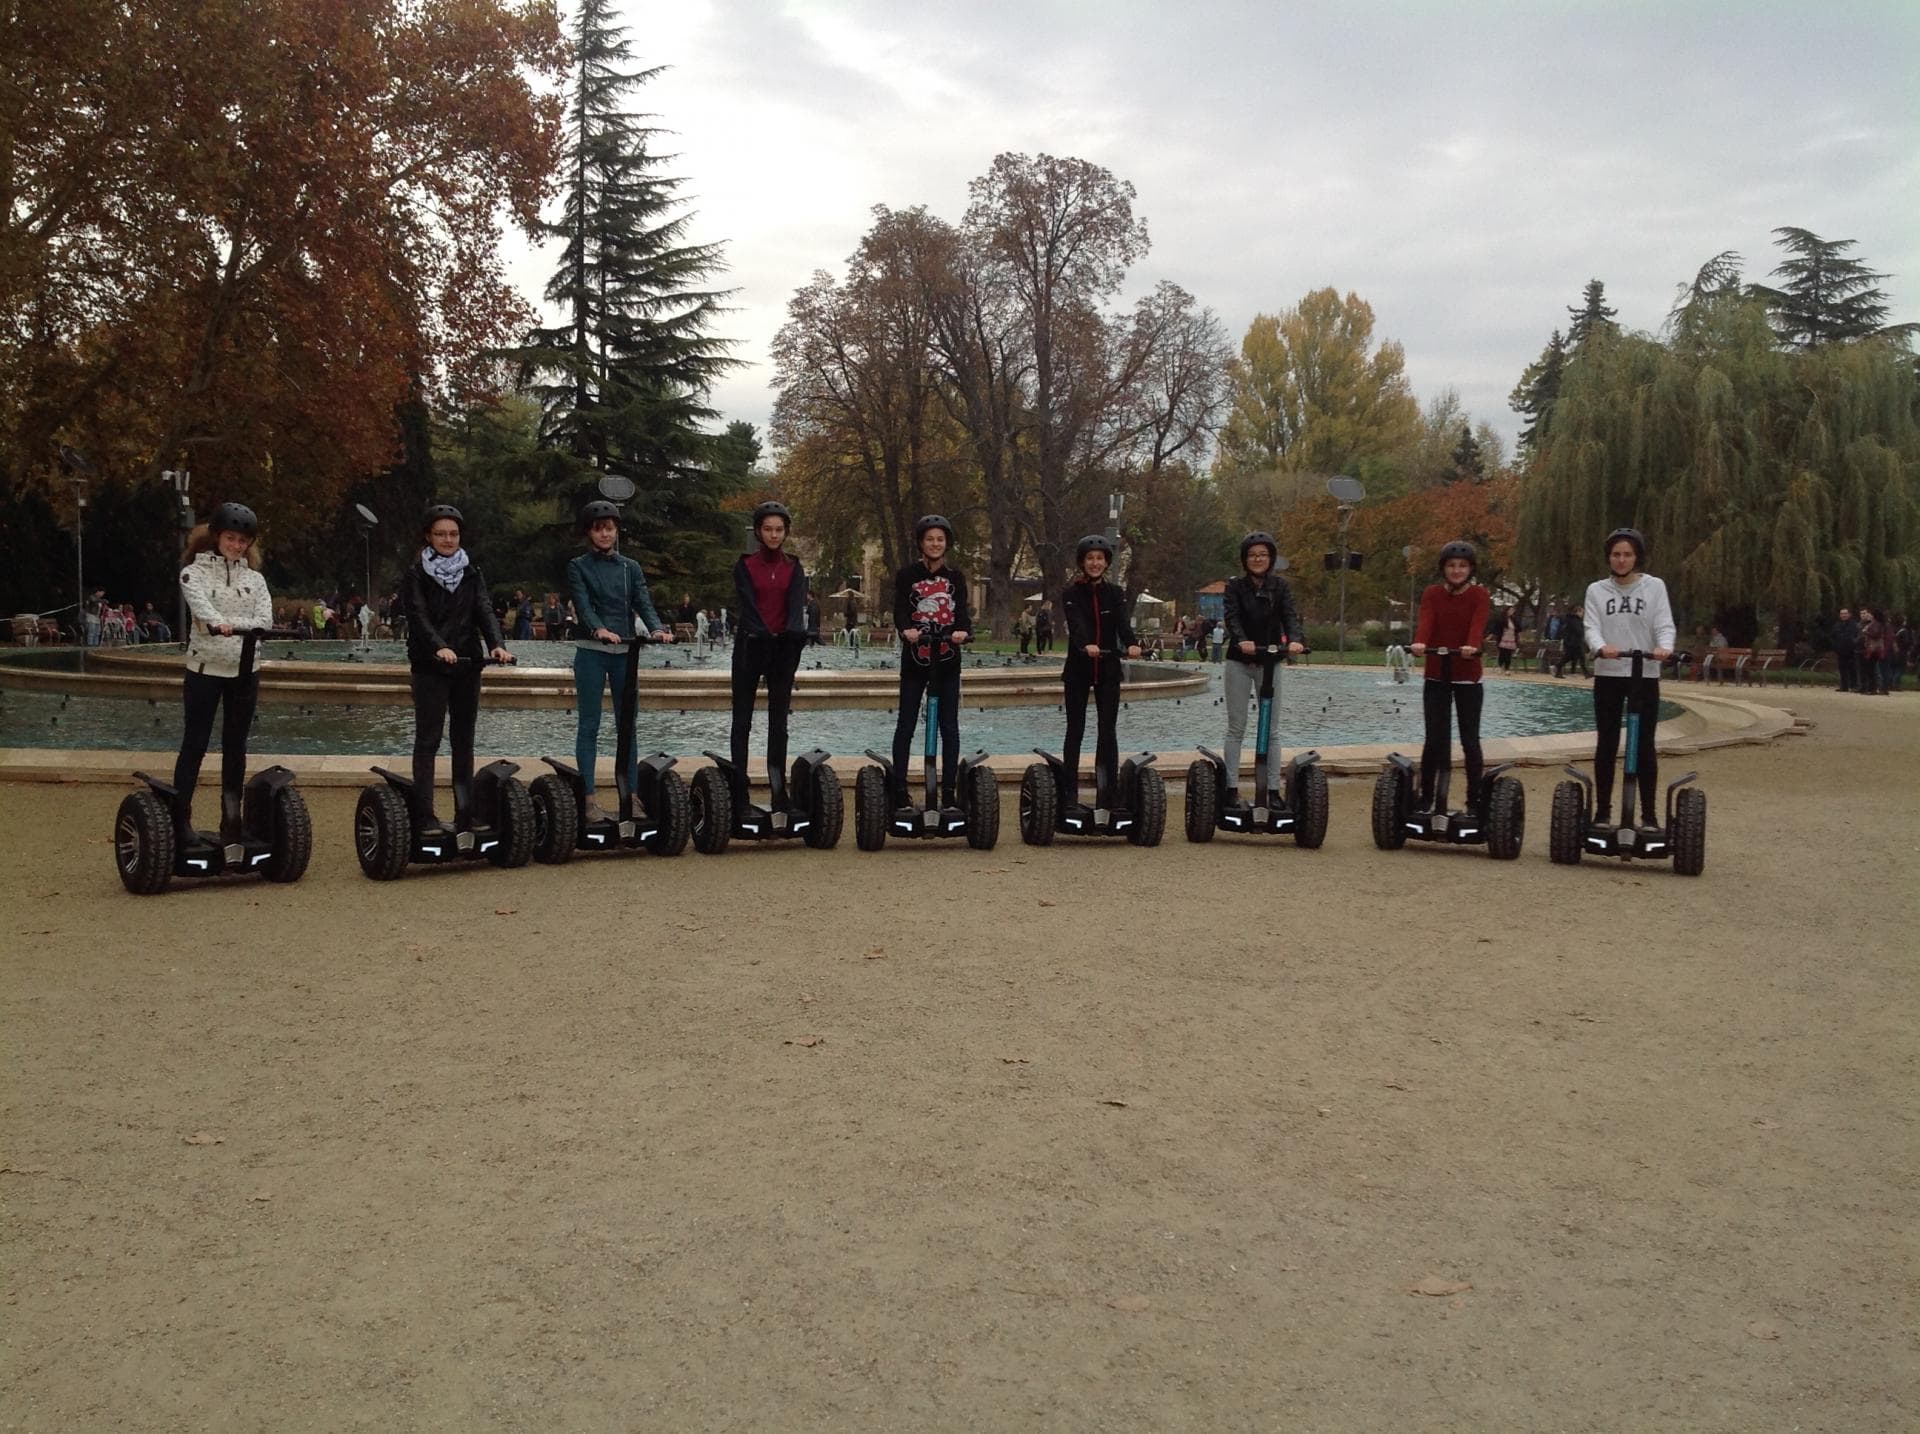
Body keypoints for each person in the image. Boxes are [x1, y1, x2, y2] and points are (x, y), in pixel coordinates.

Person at [400, 505, 513, 832]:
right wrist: (439, 646)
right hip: (430, 665)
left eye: (453, 534)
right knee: (428, 740)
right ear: (428, 536)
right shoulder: (416, 574)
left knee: (464, 740)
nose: (447, 540)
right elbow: (418, 616)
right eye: (440, 534)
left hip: (466, 663)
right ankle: (425, 814)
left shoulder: (470, 572)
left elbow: (484, 610)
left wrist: (497, 644)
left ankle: (466, 811)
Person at [173, 503, 275, 841]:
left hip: (245, 670)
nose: (236, 546)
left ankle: (231, 820)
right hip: (205, 669)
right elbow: (205, 614)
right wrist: (221, 624)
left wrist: (233, 624)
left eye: (242, 540)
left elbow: (264, 621)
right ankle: (180, 819)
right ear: (216, 536)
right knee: (195, 743)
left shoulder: (255, 579)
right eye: (230, 538)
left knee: (236, 746)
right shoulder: (193, 574)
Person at [567, 500, 672, 825]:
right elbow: (583, 605)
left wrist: (656, 628)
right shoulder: (578, 566)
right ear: (590, 532)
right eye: (599, 529)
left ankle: (632, 796)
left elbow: (643, 601)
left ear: (616, 531)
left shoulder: (631, 567)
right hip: (592, 651)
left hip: (625, 653)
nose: (604, 534)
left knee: (628, 727)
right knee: (590, 725)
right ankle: (588, 800)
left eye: (609, 529)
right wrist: (599, 629)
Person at [1582, 527, 1676, 827]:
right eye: (1616, 554)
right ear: (1608, 558)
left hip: (1645, 673)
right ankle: (1603, 812)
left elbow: (1664, 623)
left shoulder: (1654, 587)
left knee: (1645, 744)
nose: (1621, 560)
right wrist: (1600, 647)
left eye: (1627, 554)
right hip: (1609, 672)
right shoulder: (1596, 590)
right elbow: (1591, 627)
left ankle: (1648, 816)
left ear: (1637, 557)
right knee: (1607, 743)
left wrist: (1664, 648)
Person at [729, 501, 812, 810]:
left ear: (785, 532)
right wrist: (762, 631)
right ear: (759, 532)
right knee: (742, 720)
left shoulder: (794, 566)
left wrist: (793, 633)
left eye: (779, 530)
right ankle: (740, 789)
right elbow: (747, 606)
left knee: (779, 722)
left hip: (782, 650)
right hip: (752, 646)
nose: (774, 535)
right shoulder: (745, 565)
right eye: (768, 529)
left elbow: (795, 605)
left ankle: (778, 788)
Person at [890, 515, 973, 807]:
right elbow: (900, 610)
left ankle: (948, 792)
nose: (935, 544)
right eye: (930, 539)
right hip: (915, 659)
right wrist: (905, 630)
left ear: (946, 543)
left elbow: (962, 612)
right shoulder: (906, 575)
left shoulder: (956, 577)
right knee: (906, 724)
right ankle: (899, 790)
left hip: (947, 659)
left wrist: (963, 632)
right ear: (921, 543)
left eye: (940, 539)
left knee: (949, 726)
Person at [1220, 531, 1304, 802]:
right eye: (1253, 555)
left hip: (1270, 661)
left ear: (1271, 558)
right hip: (1239, 661)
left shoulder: (1280, 587)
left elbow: (1290, 616)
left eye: (1263, 554)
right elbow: (1232, 617)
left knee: (1272, 730)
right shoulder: (1235, 587)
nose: (1258, 559)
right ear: (1245, 559)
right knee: (1237, 726)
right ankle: (1231, 788)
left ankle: (1272, 790)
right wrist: (1242, 640)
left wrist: (1294, 640)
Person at [1059, 534, 1142, 807]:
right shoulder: (1071, 594)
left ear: (1106, 562)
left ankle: (1108, 790)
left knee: (1108, 730)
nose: (1095, 563)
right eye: (1090, 558)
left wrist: (1131, 644)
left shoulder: (1115, 593)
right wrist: (1086, 645)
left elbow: (1122, 624)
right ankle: (1069, 790)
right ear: (1082, 562)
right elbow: (1076, 624)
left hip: (1107, 668)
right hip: (1079, 669)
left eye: (1100, 558)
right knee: (1076, 729)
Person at [1411, 540, 1490, 811]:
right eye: (1452, 566)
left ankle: (1474, 799)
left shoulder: (1479, 594)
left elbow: (1477, 624)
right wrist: (1419, 643)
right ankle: (1427, 796)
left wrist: (1472, 646)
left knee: (1470, 739)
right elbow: (1426, 620)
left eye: (1462, 566)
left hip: (1468, 676)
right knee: (1435, 737)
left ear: (1470, 569)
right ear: (1443, 568)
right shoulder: (1432, 593)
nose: (1457, 571)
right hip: (1436, 675)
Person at [1857, 608, 1887, 695]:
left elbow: (1876, 635)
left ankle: (1872, 688)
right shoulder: (1876, 623)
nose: (1869, 615)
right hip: (1872, 648)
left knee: (1871, 669)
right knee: (1870, 669)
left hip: (1873, 649)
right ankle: (1871, 688)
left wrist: (1866, 632)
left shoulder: (1877, 624)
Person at [1832, 607, 1858, 691]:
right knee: (1842, 669)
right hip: (1840, 650)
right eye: (1842, 614)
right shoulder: (1837, 625)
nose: (1843, 615)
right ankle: (1844, 686)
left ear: (1849, 614)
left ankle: (1854, 686)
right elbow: (1834, 636)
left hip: (1851, 650)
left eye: (1845, 613)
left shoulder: (1853, 624)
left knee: (1852, 668)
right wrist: (1836, 646)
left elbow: (1853, 636)